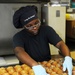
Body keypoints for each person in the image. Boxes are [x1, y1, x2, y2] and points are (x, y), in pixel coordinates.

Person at [12, 5, 73, 75]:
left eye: (36, 23)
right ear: (24, 26)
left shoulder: (46, 30)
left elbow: (60, 44)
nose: (34, 28)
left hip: (48, 66)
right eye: (29, 26)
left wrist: (68, 57)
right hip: (28, 67)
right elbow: (19, 51)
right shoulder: (18, 37)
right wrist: (35, 66)